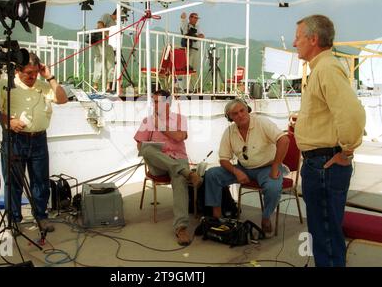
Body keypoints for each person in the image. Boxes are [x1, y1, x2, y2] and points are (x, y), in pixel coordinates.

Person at [292, 15, 365, 267]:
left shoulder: (326, 68)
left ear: (313, 39)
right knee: (323, 234)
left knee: (325, 235)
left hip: (325, 164)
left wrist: (346, 152)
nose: (294, 43)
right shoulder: (322, 69)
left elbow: (353, 114)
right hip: (319, 164)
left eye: (298, 37)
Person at [0, 52, 68, 233]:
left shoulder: (43, 85)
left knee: (40, 181)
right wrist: (9, 121)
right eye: (28, 72)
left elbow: (63, 99)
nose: (32, 76)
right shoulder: (5, 85)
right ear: (18, 70)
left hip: (39, 139)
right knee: (13, 183)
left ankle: (41, 216)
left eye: (35, 72)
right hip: (14, 139)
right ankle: (14, 220)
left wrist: (49, 77)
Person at [203, 99, 289, 235]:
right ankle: (217, 216)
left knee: (273, 187)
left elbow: (284, 140)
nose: (240, 115)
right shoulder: (230, 131)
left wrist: (275, 167)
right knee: (212, 174)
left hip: (267, 167)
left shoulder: (261, 122)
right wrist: (236, 171)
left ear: (248, 110)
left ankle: (266, 217)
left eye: (242, 111)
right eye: (235, 113)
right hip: (243, 168)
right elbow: (224, 159)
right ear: (230, 117)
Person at [134, 89, 201, 246]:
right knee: (147, 149)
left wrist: (161, 127)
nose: (155, 105)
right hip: (159, 164)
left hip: (178, 158)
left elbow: (179, 137)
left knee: (178, 178)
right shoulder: (147, 121)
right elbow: (140, 146)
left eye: (158, 102)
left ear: (168, 103)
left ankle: (181, 228)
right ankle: (186, 172)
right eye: (154, 102)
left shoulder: (180, 119)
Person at [180, 12, 204, 91]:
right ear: (190, 18)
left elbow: (202, 36)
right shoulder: (186, 24)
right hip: (189, 49)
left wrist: (195, 36)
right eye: (195, 17)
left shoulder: (198, 26)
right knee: (187, 69)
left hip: (196, 49)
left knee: (195, 69)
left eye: (197, 18)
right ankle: (186, 88)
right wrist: (183, 19)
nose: (196, 20)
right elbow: (185, 32)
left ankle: (196, 87)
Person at [90, 20, 115, 92]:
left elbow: (111, 38)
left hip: (108, 49)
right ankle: (95, 85)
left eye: (100, 26)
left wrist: (104, 32)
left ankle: (108, 86)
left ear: (104, 26)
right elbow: (92, 42)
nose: (99, 27)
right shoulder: (95, 33)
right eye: (98, 26)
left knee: (111, 67)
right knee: (98, 67)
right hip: (99, 51)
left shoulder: (107, 31)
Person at [98, 10, 118, 92]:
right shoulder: (106, 15)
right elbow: (100, 25)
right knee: (99, 63)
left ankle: (108, 86)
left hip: (110, 45)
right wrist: (108, 35)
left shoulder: (115, 23)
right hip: (101, 42)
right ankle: (96, 86)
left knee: (111, 65)